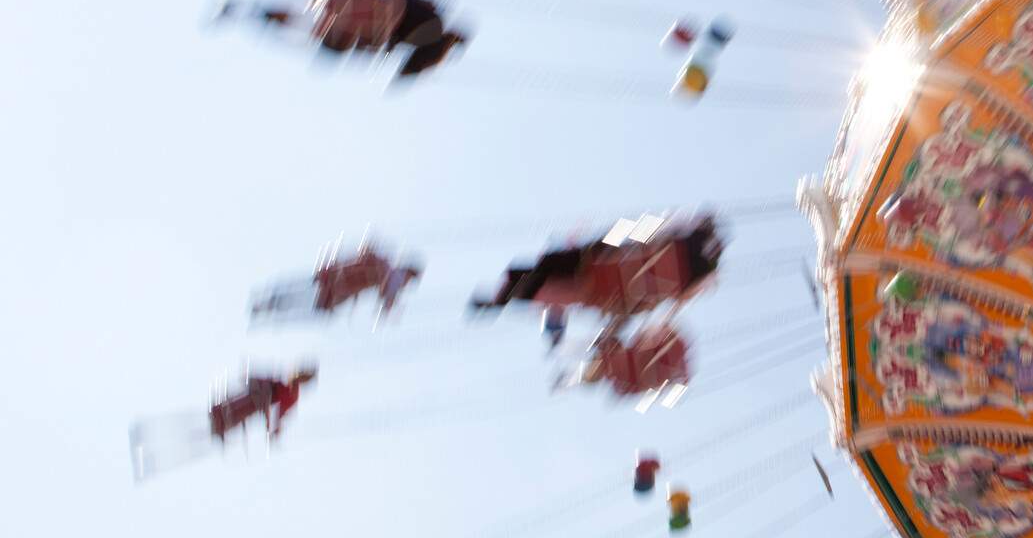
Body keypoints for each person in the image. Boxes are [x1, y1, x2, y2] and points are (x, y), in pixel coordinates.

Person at [470, 213, 724, 330]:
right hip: (606, 281)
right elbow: (674, 302)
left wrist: (615, 236)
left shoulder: (684, 237)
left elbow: (648, 232)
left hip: (604, 273)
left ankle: (506, 294)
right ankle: (506, 295)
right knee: (554, 282)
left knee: (552, 275)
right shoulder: (697, 267)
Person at [217, 0, 468, 82]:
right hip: (371, 26)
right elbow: (411, 68)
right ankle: (250, 12)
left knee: (311, 9)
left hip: (369, 9)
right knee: (309, 23)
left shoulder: (435, 14)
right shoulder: (433, 41)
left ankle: (250, 8)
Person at [251, 244, 423, 322]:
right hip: (340, 289)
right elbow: (387, 298)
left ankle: (268, 300)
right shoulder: (394, 276)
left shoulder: (385, 261)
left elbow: (366, 248)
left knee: (300, 291)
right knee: (302, 301)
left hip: (335, 275)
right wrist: (390, 306)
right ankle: (268, 306)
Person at [208, 368, 316, 443]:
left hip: (263, 398)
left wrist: (276, 428)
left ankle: (221, 423)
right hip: (262, 392)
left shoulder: (293, 394)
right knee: (243, 406)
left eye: (305, 378)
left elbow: (281, 411)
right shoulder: (289, 381)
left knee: (244, 409)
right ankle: (219, 419)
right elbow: (281, 410)